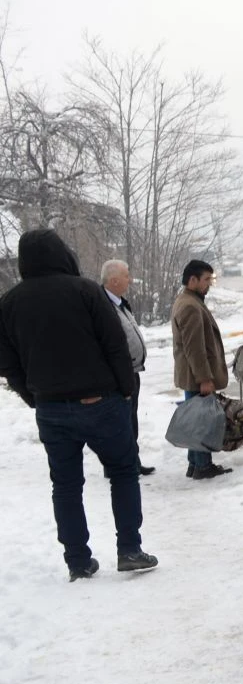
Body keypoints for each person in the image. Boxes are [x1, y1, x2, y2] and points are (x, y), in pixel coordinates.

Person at [0, 230, 157, 579]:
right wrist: (126, 389)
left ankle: (77, 561)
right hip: (102, 401)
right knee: (123, 472)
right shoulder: (85, 290)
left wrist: (33, 396)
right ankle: (129, 549)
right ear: (63, 253)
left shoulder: (9, 303)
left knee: (66, 485)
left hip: (51, 409)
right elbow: (114, 343)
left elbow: (6, 362)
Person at [172, 259, 232, 480]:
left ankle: (194, 463)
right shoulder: (190, 306)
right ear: (193, 280)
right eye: (206, 279)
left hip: (193, 375)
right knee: (202, 422)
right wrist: (205, 379)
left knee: (197, 419)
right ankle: (202, 466)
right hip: (196, 376)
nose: (209, 284)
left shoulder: (189, 300)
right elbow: (194, 348)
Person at [101, 259, 156, 476]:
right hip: (118, 374)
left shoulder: (120, 302)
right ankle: (117, 464)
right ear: (114, 280)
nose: (129, 279)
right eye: (126, 275)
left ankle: (132, 459)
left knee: (130, 418)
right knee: (119, 421)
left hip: (133, 370)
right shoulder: (103, 305)